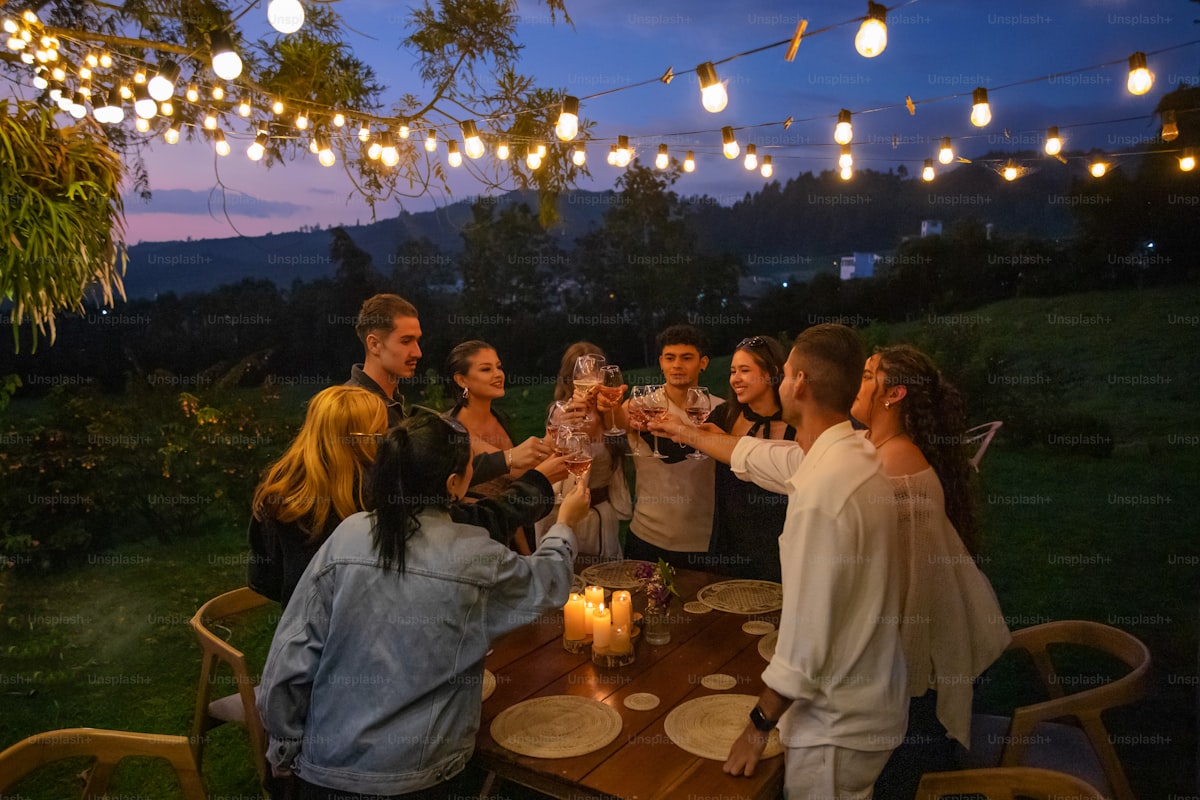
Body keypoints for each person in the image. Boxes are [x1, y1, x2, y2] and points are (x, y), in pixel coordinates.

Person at [257, 411, 590, 799]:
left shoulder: (348, 535)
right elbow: (545, 585)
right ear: (453, 484)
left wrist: (284, 751)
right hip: (424, 777)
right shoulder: (473, 555)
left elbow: (290, 657)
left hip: (325, 770)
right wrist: (565, 525)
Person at [652, 324, 907, 800]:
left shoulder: (822, 497)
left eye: (786, 372)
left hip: (837, 719)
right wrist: (686, 431)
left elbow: (806, 636)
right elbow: (764, 456)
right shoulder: (852, 455)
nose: (783, 380)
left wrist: (758, 723)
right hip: (873, 694)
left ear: (800, 383)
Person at [851, 344, 1011, 800]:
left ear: (894, 393)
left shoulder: (895, 467)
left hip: (914, 687)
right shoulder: (873, 447)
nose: (856, 383)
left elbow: (903, 592)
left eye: (867, 375)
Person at [249, 386, 564, 608]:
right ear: (357, 441)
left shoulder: (276, 492)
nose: (389, 438)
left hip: (303, 646)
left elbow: (265, 580)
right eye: (381, 431)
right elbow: (477, 523)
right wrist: (539, 482)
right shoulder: (380, 500)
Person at [344, 293, 544, 486]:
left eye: (417, 340)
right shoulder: (357, 407)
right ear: (374, 344)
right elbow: (410, 482)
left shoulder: (393, 402)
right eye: (406, 341)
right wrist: (507, 459)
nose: (418, 352)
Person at [248, 385, 388, 608]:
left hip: (299, 631)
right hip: (369, 630)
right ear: (364, 438)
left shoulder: (277, 487)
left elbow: (266, 580)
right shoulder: (381, 492)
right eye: (382, 432)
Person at [602, 324, 722, 568]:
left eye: (686, 358)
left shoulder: (720, 409)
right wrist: (609, 404)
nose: (677, 365)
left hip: (700, 540)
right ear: (661, 362)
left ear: (704, 362)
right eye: (670, 358)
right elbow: (615, 422)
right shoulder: (640, 406)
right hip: (646, 533)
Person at [446, 340, 556, 554]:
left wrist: (559, 427)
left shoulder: (499, 418)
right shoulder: (455, 431)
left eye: (499, 366)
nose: (498, 374)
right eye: (486, 369)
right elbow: (515, 467)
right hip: (480, 544)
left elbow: (520, 470)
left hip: (516, 532)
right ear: (461, 380)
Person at [704, 334, 795, 582]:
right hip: (732, 544)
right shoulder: (725, 415)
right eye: (733, 371)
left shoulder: (798, 421)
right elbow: (680, 448)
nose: (735, 379)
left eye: (744, 370)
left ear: (771, 373)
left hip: (781, 544)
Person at [534, 342, 631, 560]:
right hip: (567, 514)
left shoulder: (610, 412)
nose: (589, 377)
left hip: (603, 516)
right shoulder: (562, 412)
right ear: (571, 377)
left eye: (594, 371)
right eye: (582, 372)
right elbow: (562, 455)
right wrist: (573, 424)